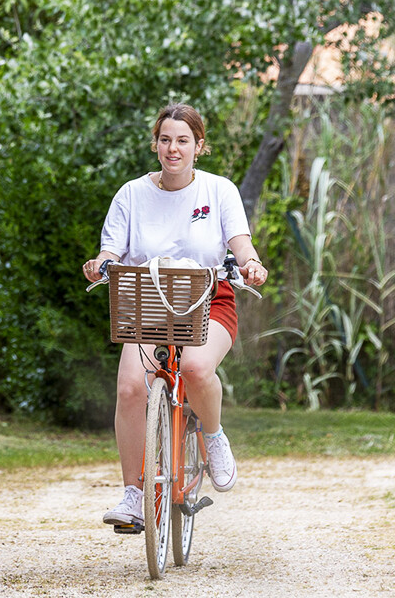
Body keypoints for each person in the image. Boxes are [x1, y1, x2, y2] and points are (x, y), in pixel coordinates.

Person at [81, 103, 267, 529]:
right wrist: (100, 263)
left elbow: (241, 244)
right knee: (130, 386)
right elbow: (111, 250)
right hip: (147, 301)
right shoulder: (131, 194)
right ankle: (133, 495)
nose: (173, 148)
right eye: (165, 139)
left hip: (207, 299)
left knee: (198, 367)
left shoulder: (219, 191)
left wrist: (252, 264)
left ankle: (214, 436)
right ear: (155, 144)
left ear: (199, 146)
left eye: (183, 140)